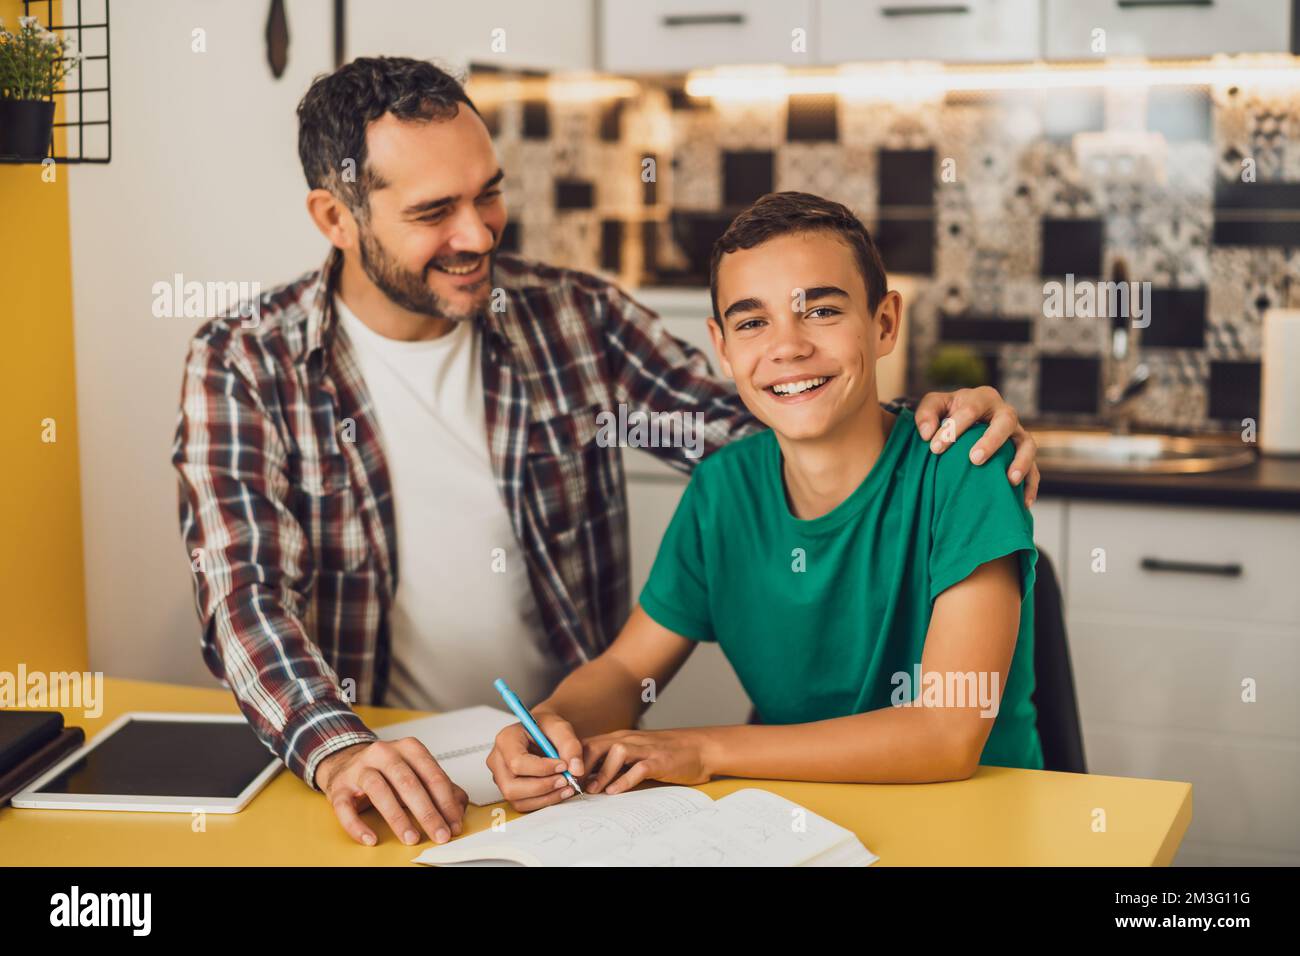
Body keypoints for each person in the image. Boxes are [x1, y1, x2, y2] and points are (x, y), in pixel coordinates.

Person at [172, 58, 1041, 847]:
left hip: (561, 775)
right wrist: (336, 749)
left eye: (489, 195)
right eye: (434, 212)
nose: (478, 235)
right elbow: (242, 592)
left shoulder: (573, 317)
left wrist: (941, 426)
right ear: (336, 215)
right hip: (380, 758)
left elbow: (778, 427)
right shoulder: (245, 360)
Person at [487, 192, 1041, 812]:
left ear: (884, 323)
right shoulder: (722, 490)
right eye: (753, 322)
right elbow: (622, 671)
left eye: (822, 311)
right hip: (805, 826)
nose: (788, 346)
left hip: (978, 825)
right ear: (722, 347)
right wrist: (549, 723)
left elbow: (946, 735)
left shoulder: (965, 470)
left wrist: (702, 748)